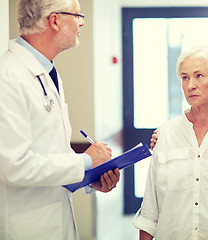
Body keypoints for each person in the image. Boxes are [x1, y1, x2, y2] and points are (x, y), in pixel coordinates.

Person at [0, 0, 120, 239]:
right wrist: (86, 161)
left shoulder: (47, 72)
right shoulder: (8, 76)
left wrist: (90, 178)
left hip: (54, 220)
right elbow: (14, 166)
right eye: (77, 16)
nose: (81, 23)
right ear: (54, 20)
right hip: (28, 227)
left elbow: (51, 152)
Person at [133, 47, 208, 240]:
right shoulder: (165, 133)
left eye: (199, 76)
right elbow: (150, 211)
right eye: (185, 77)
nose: (190, 85)